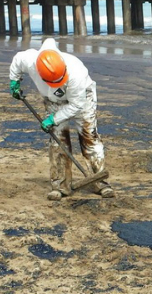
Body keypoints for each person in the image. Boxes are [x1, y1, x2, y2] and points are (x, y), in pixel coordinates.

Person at [9, 38, 114, 201]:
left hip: (81, 98)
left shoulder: (76, 73)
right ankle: (60, 185)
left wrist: (53, 119)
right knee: (58, 140)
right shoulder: (30, 61)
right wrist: (14, 81)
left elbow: (76, 106)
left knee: (89, 138)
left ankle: (100, 183)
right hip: (53, 100)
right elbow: (17, 62)